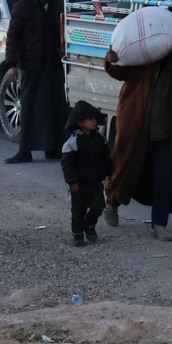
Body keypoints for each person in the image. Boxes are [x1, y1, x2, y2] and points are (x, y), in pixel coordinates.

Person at [103, 29, 172, 241]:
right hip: (135, 126)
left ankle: (159, 224)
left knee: (164, 176)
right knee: (125, 168)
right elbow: (122, 72)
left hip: (164, 131)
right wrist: (112, 61)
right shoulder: (146, 56)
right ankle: (112, 203)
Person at [4, 0, 67, 163]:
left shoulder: (58, 4)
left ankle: (53, 147)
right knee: (30, 107)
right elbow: (12, 37)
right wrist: (12, 64)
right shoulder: (23, 7)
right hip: (32, 64)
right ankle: (25, 150)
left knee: (56, 106)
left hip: (55, 63)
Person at [61, 101, 114, 246]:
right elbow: (67, 165)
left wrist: (111, 173)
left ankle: (90, 225)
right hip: (79, 184)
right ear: (80, 123)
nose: (94, 122)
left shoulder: (99, 139)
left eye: (94, 119)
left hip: (96, 182)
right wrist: (72, 181)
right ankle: (78, 234)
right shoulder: (72, 142)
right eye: (90, 119)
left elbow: (106, 158)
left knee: (99, 206)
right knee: (78, 211)